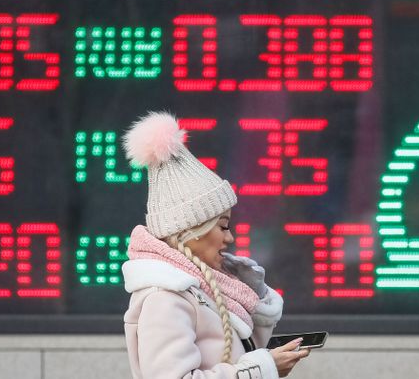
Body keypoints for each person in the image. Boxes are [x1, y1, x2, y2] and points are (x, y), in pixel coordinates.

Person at [122, 112, 310, 378]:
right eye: (223, 226)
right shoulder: (164, 299)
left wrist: (252, 292)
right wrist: (262, 369)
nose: (230, 238)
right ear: (192, 231)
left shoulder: (200, 289)